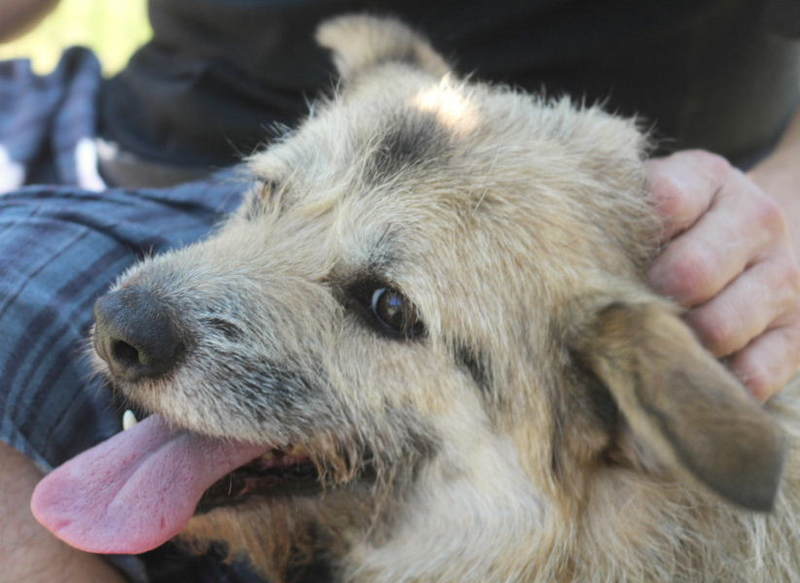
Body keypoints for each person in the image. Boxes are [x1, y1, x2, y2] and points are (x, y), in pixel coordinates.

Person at [1, 0, 798, 581]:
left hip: (693, 221)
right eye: (270, 192)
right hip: (155, 139)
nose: (132, 319)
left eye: (386, 307)